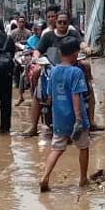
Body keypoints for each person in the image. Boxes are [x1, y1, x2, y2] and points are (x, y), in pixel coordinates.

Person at [39, 37, 90, 192]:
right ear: (75, 54)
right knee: (83, 147)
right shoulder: (76, 72)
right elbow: (76, 96)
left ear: (60, 53)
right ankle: (83, 179)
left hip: (59, 118)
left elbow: (49, 96)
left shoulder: (54, 71)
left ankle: (45, 177)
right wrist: (79, 119)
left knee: (56, 148)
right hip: (75, 117)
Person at [27, 11, 78, 136]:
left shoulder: (74, 34)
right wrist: (36, 58)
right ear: (56, 22)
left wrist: (86, 48)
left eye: (64, 22)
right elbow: (38, 50)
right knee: (38, 93)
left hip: (71, 68)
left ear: (68, 23)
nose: (62, 24)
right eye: (59, 22)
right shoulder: (47, 36)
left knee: (87, 87)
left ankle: (91, 121)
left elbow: (82, 44)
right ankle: (33, 126)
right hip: (52, 68)